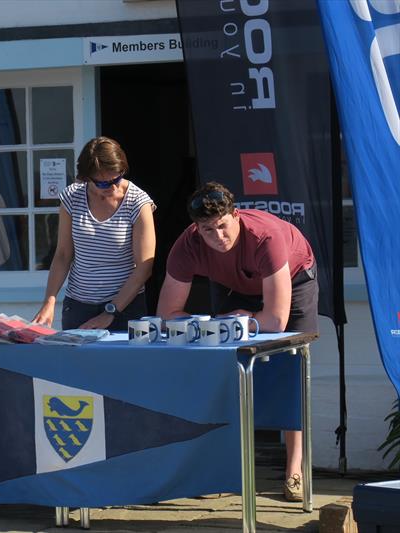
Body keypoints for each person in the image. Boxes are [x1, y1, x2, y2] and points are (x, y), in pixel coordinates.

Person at [156, 181, 318, 502]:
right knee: (224, 369)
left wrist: (246, 320)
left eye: (222, 226)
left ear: (236, 215)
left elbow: (275, 321)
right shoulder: (187, 245)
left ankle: (294, 470)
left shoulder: (265, 237)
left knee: (291, 372)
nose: (218, 237)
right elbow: (166, 315)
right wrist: (206, 325)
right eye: (207, 230)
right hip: (234, 286)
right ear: (195, 228)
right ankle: (222, 470)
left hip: (293, 279)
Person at [33, 136, 156, 331]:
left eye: (117, 178)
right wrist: (50, 300)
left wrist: (111, 312)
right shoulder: (72, 197)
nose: (113, 187)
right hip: (78, 305)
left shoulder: (137, 202)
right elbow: (63, 255)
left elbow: (144, 267)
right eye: (103, 183)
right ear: (86, 178)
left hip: (125, 306)